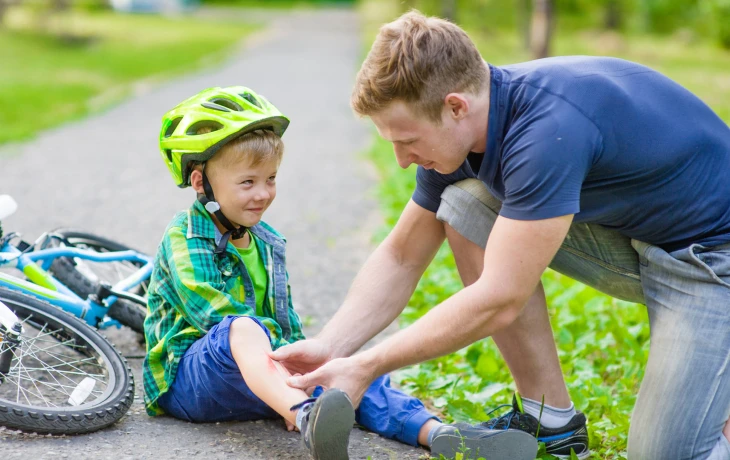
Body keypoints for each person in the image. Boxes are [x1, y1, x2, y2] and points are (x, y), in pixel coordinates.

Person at [270, 10, 730, 460]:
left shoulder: (546, 130)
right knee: (465, 202)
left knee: (666, 454)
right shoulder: (464, 132)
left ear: (455, 106)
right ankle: (548, 417)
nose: (402, 161)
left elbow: (499, 297)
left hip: (711, 260)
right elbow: (402, 256)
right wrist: (332, 347)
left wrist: (368, 366)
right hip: (643, 242)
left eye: (407, 141)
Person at [142, 86, 538, 460]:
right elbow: (213, 313)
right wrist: (290, 376)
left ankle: (437, 434)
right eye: (247, 182)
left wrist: (310, 367)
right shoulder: (185, 235)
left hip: (263, 377)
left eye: (271, 179)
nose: (263, 194)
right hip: (190, 382)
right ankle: (306, 415)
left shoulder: (266, 241)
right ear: (200, 182)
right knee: (240, 328)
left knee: (347, 369)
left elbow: (284, 320)